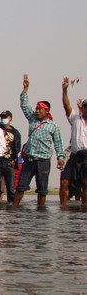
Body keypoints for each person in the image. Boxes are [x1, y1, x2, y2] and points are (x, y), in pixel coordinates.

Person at [13, 74, 65, 208]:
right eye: (36, 108)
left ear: (46, 111)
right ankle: (15, 209)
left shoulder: (53, 126)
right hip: (29, 160)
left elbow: (58, 143)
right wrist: (25, 90)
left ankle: (41, 213)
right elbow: (24, 105)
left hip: (43, 161)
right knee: (20, 187)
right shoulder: (32, 119)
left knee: (42, 190)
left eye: (39, 109)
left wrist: (61, 157)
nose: (37, 111)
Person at [59, 77, 87, 206]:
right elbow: (66, 105)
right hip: (75, 155)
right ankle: (63, 208)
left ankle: (84, 210)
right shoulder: (76, 118)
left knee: (86, 184)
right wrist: (65, 91)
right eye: (85, 107)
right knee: (64, 181)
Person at [0, 110, 21, 203]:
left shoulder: (15, 132)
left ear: (10, 118)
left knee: (10, 188)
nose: (3, 119)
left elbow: (17, 147)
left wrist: (14, 159)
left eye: (5, 117)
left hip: (9, 162)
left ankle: (11, 209)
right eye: (2, 117)